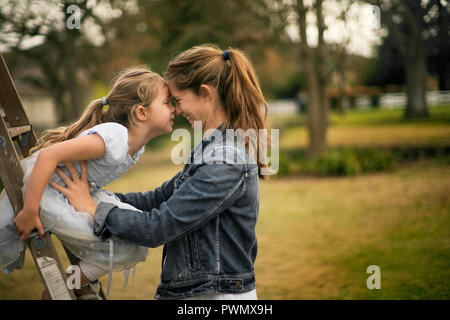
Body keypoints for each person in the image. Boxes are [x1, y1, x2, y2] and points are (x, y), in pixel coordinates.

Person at [52, 44, 270, 300]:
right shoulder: (210, 149)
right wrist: (96, 197)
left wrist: (93, 208)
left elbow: (158, 228)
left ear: (205, 93)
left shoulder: (226, 160)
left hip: (214, 296)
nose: (176, 111)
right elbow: (158, 198)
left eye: (177, 101)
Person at [0, 66, 174, 299]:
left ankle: (74, 281)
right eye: (167, 103)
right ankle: (62, 288)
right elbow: (47, 156)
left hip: (76, 193)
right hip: (46, 194)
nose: (174, 108)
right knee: (127, 244)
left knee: (135, 235)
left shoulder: (135, 146)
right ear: (141, 113)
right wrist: (30, 210)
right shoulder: (114, 138)